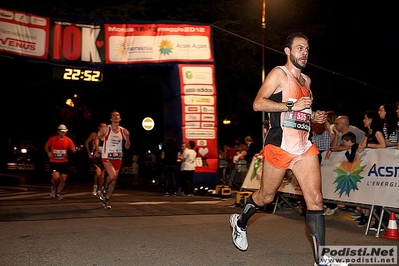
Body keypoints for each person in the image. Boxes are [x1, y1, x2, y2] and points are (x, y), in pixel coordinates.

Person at [229, 32, 345, 266]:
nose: (304, 53)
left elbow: (303, 113)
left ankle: (321, 259)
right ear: (288, 51)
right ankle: (240, 223)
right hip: (280, 145)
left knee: (316, 199)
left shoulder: (307, 81)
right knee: (266, 196)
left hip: (304, 147)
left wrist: (316, 117)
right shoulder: (278, 74)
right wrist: (291, 105)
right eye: (300, 48)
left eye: (307, 49)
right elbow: (258, 103)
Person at [96, 110, 130, 209]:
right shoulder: (106, 129)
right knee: (112, 176)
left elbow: (127, 147)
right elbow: (97, 137)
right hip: (107, 157)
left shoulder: (123, 131)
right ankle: (104, 188)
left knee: (113, 181)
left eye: (118, 115)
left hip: (118, 157)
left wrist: (127, 138)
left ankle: (106, 199)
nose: (116, 117)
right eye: (114, 115)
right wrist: (98, 148)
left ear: (120, 118)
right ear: (111, 119)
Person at [44, 124, 77, 200]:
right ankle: (54, 187)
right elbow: (46, 146)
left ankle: (58, 193)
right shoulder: (52, 139)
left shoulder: (68, 140)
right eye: (61, 132)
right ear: (58, 132)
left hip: (64, 162)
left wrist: (73, 150)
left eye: (64, 132)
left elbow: (72, 146)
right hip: (54, 161)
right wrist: (48, 152)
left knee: (63, 179)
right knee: (56, 178)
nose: (63, 133)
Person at [85, 122, 107, 196]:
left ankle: (100, 190)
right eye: (102, 127)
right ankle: (95, 186)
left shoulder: (107, 136)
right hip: (96, 156)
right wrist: (89, 152)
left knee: (103, 175)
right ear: (99, 127)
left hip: (104, 156)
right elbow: (86, 142)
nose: (103, 129)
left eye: (105, 127)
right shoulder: (94, 135)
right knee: (98, 173)